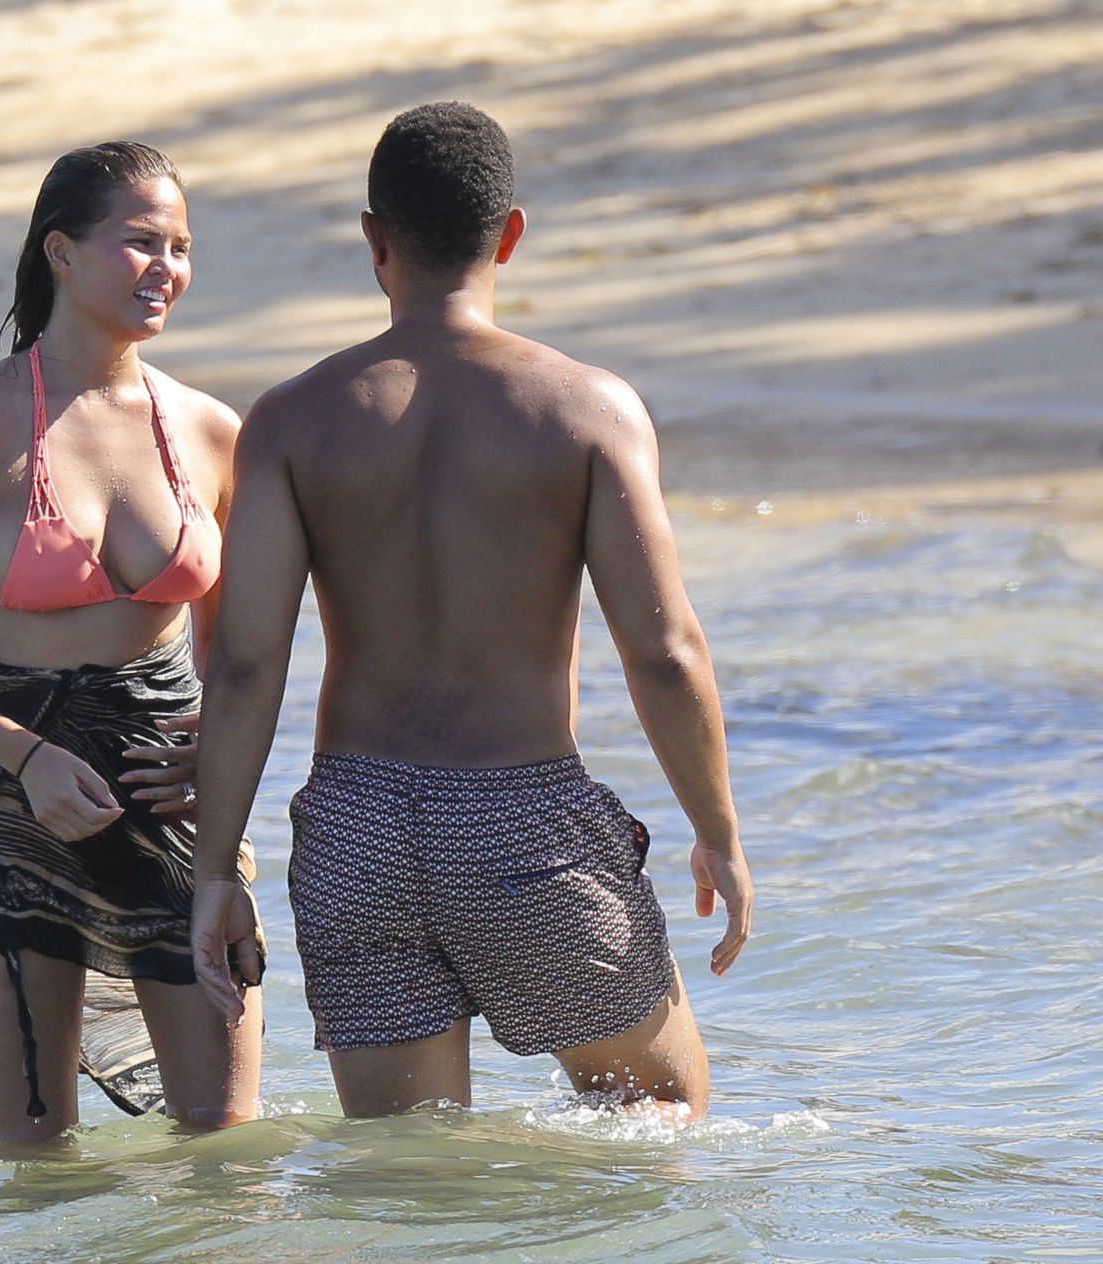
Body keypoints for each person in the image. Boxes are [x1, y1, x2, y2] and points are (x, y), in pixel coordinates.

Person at [188, 103, 753, 1121]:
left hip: (356, 829)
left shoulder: (292, 419)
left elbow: (243, 665)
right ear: (511, 235)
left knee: (408, 1169)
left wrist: (214, 868)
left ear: (374, 239)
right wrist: (718, 832)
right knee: (659, 1121)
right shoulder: (585, 409)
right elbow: (664, 651)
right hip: (517, 819)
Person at [0, 141, 264, 1154]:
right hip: (13, 797)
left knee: (224, 1141)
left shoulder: (212, 431)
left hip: (171, 798)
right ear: (61, 252)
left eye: (181, 247)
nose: (166, 267)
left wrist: (219, 757)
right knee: (37, 1152)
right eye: (140, 242)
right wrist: (27, 757)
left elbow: (236, 660)